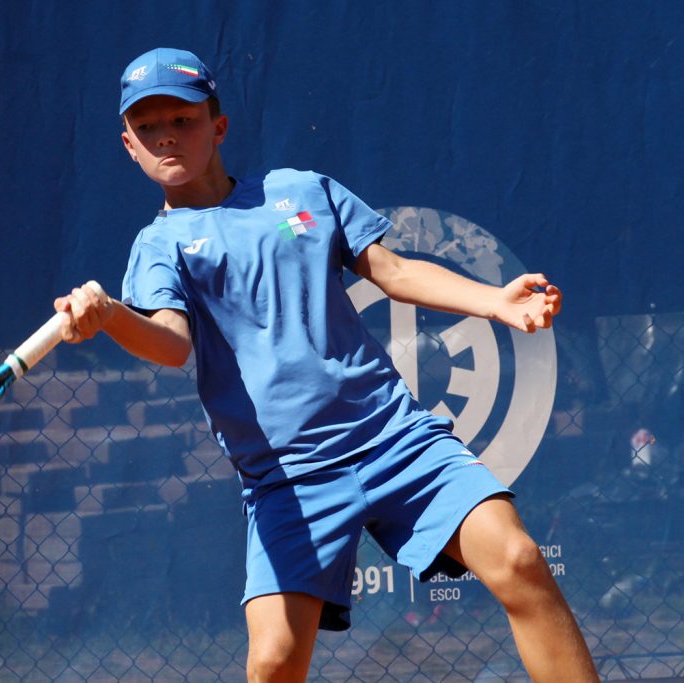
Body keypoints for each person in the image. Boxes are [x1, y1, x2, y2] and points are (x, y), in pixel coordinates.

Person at [55, 47, 599, 683]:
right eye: (147, 127)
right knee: (275, 662)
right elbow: (171, 343)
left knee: (519, 560)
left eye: (182, 118)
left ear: (218, 126)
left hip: (393, 437)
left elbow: (392, 272)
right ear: (129, 145)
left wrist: (496, 303)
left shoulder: (300, 190)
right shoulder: (159, 246)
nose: (166, 136)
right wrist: (110, 316)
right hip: (290, 475)